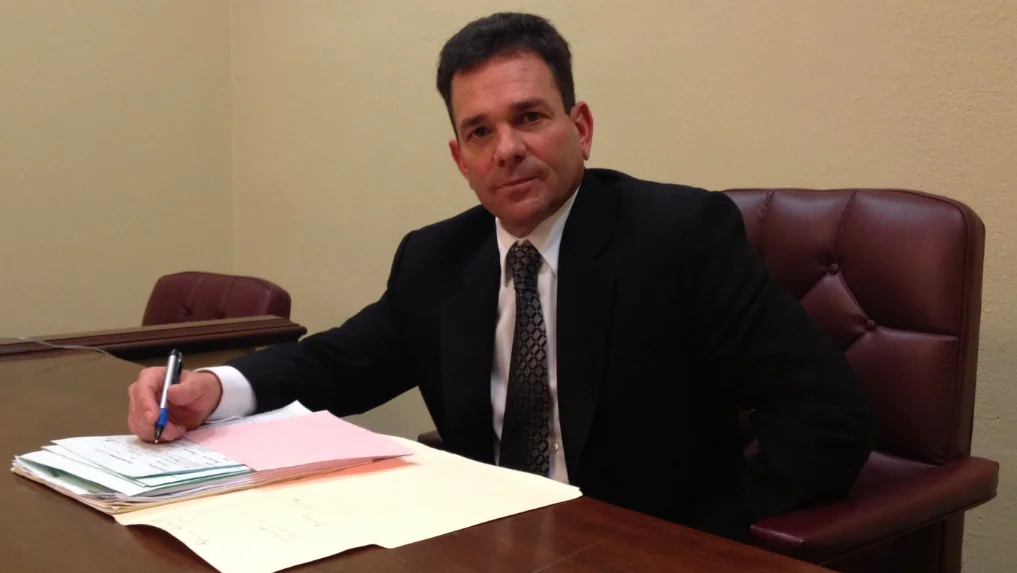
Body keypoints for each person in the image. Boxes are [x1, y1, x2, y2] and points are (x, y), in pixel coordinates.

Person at [126, 11, 875, 542]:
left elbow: (825, 413)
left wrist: (704, 542)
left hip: (635, 545)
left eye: (530, 117)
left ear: (580, 128)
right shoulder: (435, 258)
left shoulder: (679, 236)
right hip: (485, 541)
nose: (507, 148)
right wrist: (214, 388)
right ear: (460, 158)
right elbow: (340, 360)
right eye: (479, 131)